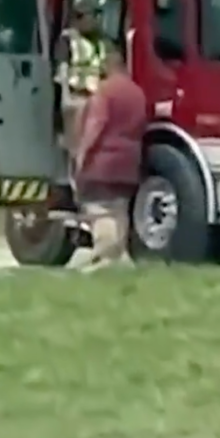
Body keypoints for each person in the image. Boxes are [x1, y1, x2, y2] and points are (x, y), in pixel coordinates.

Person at [73, 45, 146, 270]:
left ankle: (105, 256)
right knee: (120, 210)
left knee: (99, 208)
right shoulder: (138, 93)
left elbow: (97, 124)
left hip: (103, 161)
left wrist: (82, 154)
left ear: (109, 65)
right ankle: (120, 256)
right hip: (130, 161)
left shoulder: (105, 91)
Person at [54, 0, 108, 175]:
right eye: (94, 14)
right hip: (77, 98)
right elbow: (62, 71)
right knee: (76, 149)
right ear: (81, 15)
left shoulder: (101, 41)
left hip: (97, 100)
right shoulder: (68, 40)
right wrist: (66, 99)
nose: (97, 19)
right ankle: (76, 181)